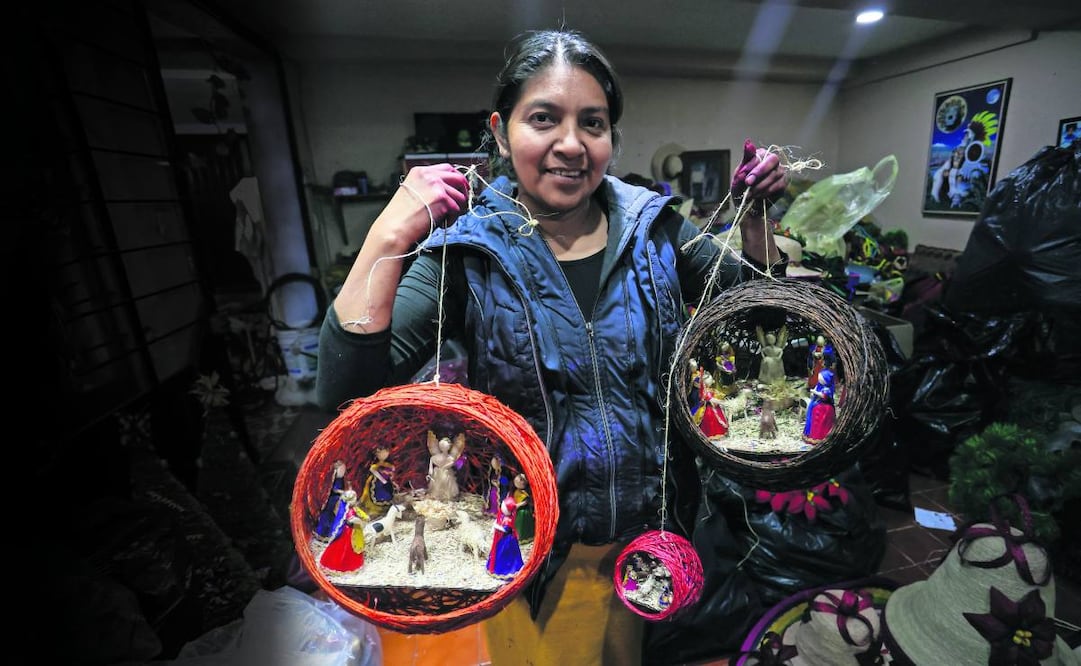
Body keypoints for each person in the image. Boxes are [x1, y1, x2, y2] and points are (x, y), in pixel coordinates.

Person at [316, 28, 786, 665]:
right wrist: (388, 233)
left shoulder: (658, 230)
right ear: (501, 129)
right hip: (532, 552)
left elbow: (759, 315)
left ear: (611, 137)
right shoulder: (469, 251)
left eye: (592, 122)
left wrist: (757, 221)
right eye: (544, 118)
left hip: (650, 543)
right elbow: (346, 391)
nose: (571, 144)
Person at [318, 489, 371, 572]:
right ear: (349, 501)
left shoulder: (354, 508)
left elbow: (360, 512)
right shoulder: (348, 511)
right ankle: (344, 566)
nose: (356, 500)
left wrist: (365, 517)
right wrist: (360, 522)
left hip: (354, 530)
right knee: (346, 548)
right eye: (354, 499)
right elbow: (351, 519)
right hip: (349, 532)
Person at [487, 495, 525, 579]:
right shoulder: (504, 516)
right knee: (500, 553)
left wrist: (496, 527)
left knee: (505, 555)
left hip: (507, 541)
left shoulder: (508, 520)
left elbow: (506, 530)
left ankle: (506, 570)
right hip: (503, 539)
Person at [313, 460, 349, 541]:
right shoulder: (331, 477)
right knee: (326, 516)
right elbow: (332, 489)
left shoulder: (344, 479)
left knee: (335, 518)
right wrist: (341, 492)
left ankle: (331, 534)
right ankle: (321, 533)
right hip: (331, 500)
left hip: (339, 499)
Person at [426, 431, 465, 502]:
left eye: (445, 446)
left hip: (446, 475)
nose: (443, 448)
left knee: (446, 485)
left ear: (449, 447)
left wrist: (442, 467)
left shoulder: (451, 458)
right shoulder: (435, 457)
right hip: (437, 475)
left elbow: (449, 464)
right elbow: (431, 466)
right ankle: (437, 495)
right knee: (437, 486)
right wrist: (430, 473)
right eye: (441, 446)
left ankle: (446, 497)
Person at [803, 368, 836, 445]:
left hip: (824, 408)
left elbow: (824, 396)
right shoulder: (819, 385)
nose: (819, 380)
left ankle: (820, 436)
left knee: (821, 422)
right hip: (817, 404)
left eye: (821, 379)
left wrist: (815, 392)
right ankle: (811, 434)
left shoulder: (827, 389)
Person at [359, 445, 395, 516]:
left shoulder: (388, 464)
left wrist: (390, 477)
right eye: (381, 453)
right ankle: (377, 509)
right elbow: (373, 470)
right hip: (377, 482)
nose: (384, 455)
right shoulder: (376, 465)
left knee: (387, 493)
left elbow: (392, 470)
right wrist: (382, 479)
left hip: (386, 481)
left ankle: (386, 507)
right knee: (377, 493)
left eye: (386, 453)